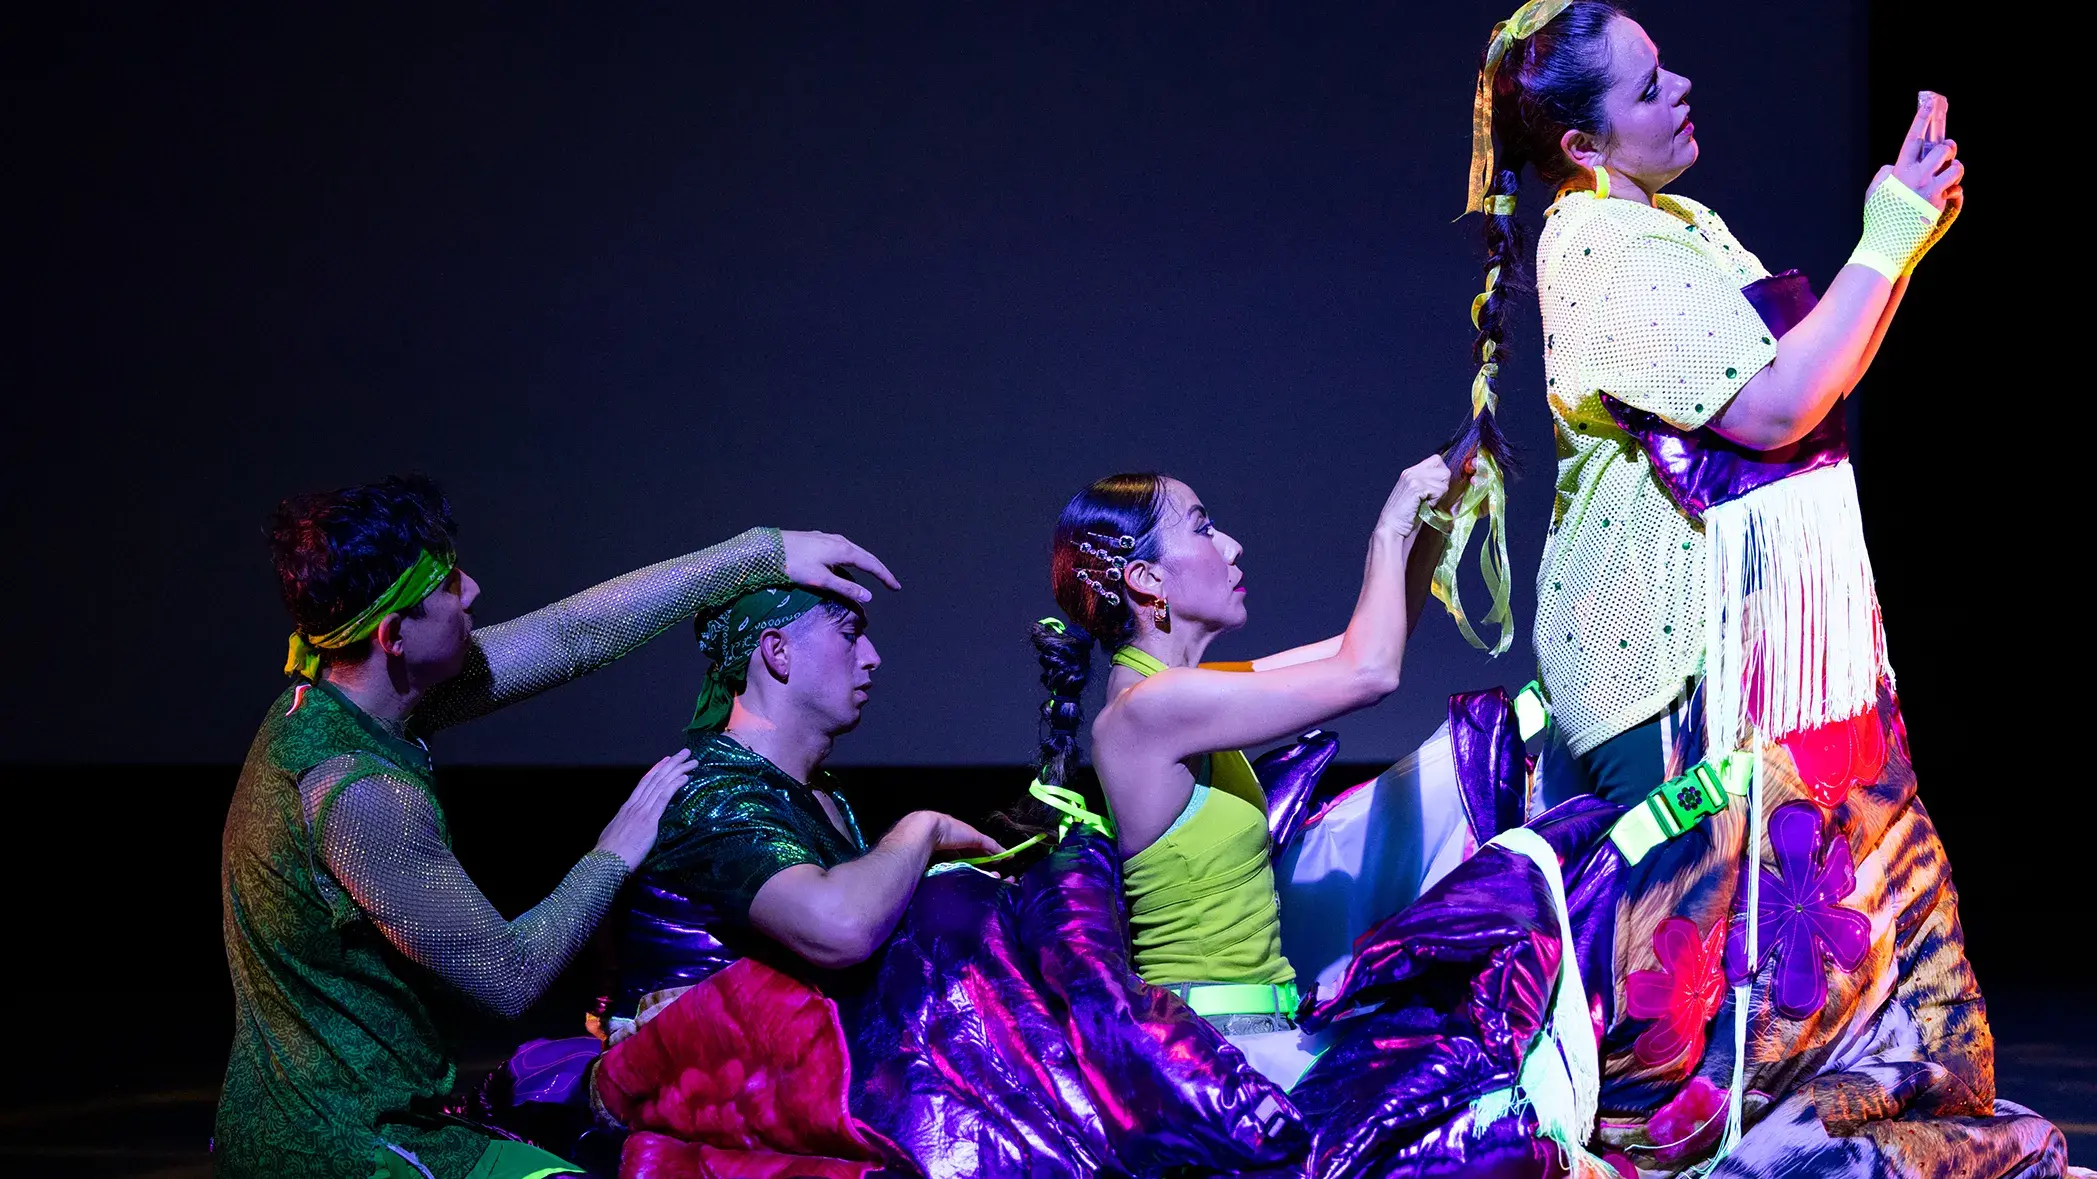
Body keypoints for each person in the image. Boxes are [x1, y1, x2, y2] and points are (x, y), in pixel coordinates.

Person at [1286, 4, 2072, 1175]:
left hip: (1740, 648)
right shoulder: (1598, 250)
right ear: (1586, 146)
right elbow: (1771, 408)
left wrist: (1900, 246)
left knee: (1806, 926)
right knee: (1692, 972)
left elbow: (1811, 376)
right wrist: (1889, 234)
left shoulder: (1678, 222)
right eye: (1649, 87)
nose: (1682, 89)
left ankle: (1828, 1131)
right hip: (1660, 659)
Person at [215, 472, 898, 1179]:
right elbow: (507, 977)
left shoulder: (336, 702)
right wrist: (611, 852)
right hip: (348, 1145)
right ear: (393, 636)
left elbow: (574, 634)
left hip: (328, 1116)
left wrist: (760, 552)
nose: (473, 590)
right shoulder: (360, 792)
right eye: (447, 586)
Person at [1026, 456, 1450, 1087]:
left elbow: (1360, 645)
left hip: (1257, 1046)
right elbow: (1370, 673)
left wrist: (1437, 520)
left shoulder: (1183, 695)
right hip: (1214, 1062)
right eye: (1203, 528)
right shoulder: (1150, 710)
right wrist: (1387, 529)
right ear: (1146, 580)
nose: (1231, 545)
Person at [606, 582, 1002, 1028]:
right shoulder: (713, 790)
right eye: (850, 635)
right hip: (704, 1084)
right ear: (778, 651)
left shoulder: (819, 792)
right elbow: (841, 929)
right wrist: (922, 829)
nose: (872, 656)